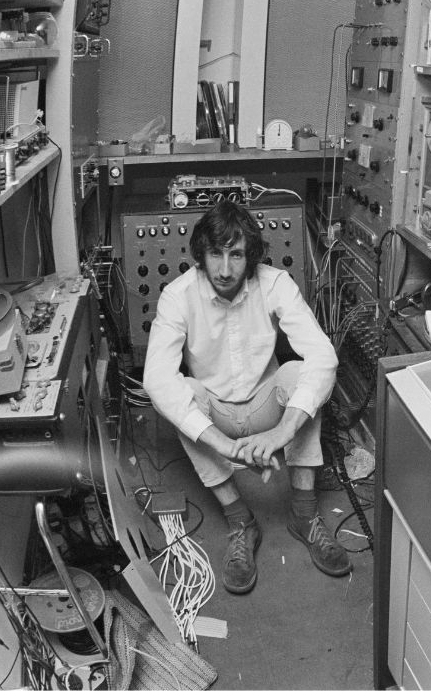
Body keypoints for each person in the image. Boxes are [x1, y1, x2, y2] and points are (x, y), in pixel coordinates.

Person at [143, 201, 348, 594]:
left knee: (304, 375)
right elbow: (156, 380)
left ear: (249, 256)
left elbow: (324, 355)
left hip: (265, 407)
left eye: (235, 254)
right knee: (182, 393)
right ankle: (240, 520)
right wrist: (224, 445)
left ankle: (304, 515)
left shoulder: (274, 283)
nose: (224, 269)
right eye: (215, 254)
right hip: (216, 414)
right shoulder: (178, 296)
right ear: (200, 255)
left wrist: (282, 432)